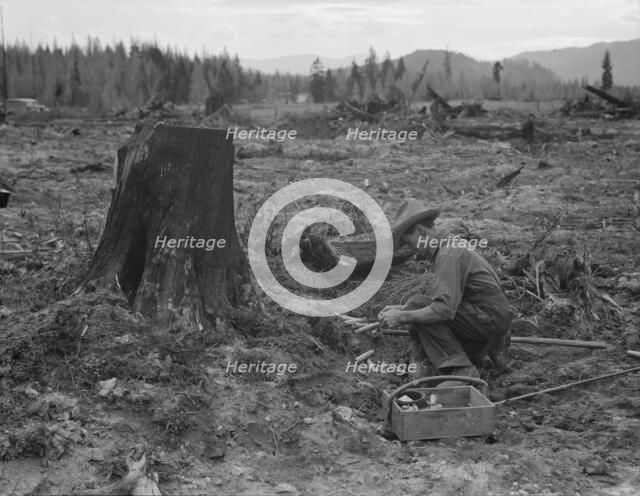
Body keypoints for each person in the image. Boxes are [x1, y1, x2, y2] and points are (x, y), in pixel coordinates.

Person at [378, 199, 512, 385]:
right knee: (417, 305)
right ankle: (483, 353)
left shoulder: (448, 254)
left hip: (489, 318)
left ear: (421, 231)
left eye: (411, 243)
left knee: (419, 305)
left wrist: (402, 317)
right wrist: (403, 308)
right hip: (490, 316)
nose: (413, 250)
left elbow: (443, 310)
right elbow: (451, 299)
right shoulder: (452, 246)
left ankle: (461, 371)